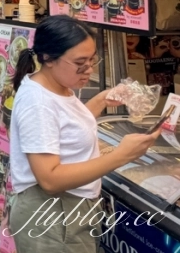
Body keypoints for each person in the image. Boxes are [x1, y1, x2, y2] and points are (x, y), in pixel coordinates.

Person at [8, 16, 156, 252]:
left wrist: (101, 100)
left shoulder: (57, 87)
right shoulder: (38, 102)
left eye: (92, 60)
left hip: (67, 210)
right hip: (54, 215)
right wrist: (121, 155)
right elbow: (50, 179)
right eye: (80, 63)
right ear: (48, 58)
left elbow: (63, 130)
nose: (88, 69)